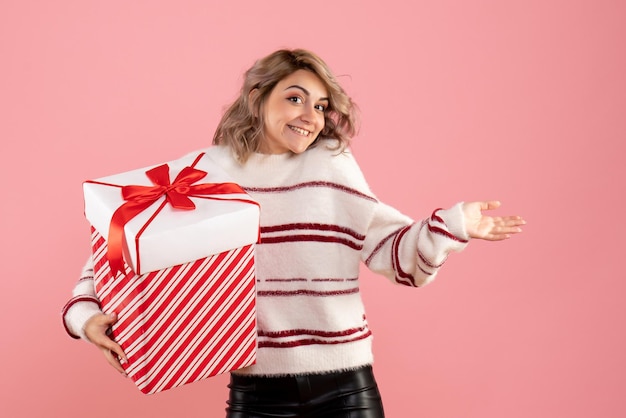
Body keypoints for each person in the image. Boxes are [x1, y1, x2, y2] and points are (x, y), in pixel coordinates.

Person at [62, 48, 525, 417]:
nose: (311, 115)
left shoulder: (332, 166)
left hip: (347, 387)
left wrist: (452, 226)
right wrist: (84, 314)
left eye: (321, 105)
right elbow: (119, 235)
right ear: (256, 97)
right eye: (295, 97)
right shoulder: (203, 172)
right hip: (256, 391)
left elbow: (392, 252)